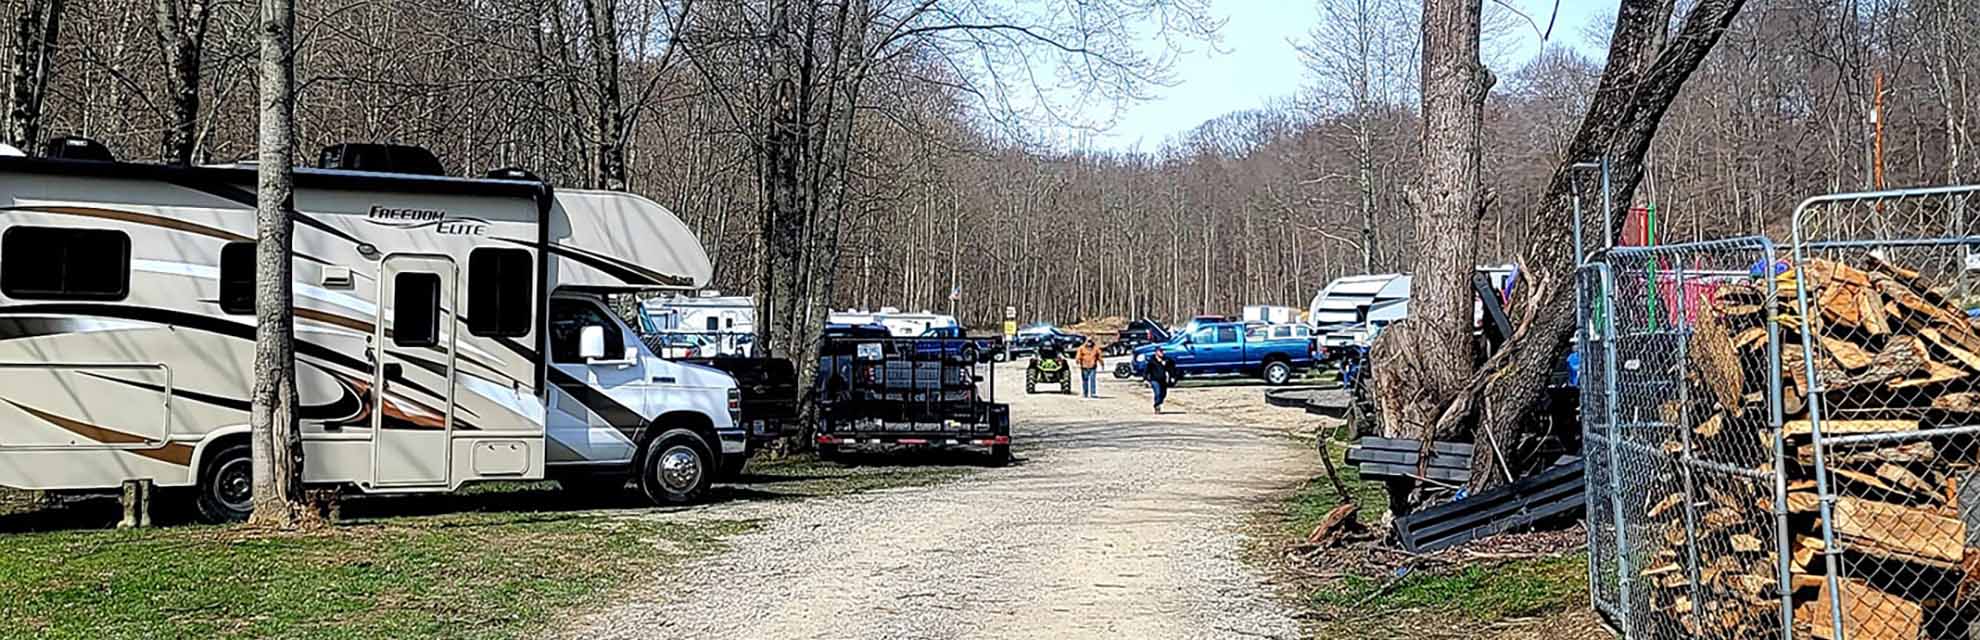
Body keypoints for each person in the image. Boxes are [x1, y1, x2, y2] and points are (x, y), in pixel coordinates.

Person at [1145, 347, 1172, 413]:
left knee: (1163, 394)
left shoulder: (1166, 360)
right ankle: (1157, 405)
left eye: (1162, 351)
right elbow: (1147, 370)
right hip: (1154, 379)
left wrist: (1172, 377)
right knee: (1158, 392)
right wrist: (1146, 379)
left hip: (1163, 380)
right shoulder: (1152, 361)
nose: (1162, 353)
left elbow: (1171, 369)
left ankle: (1159, 402)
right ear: (1156, 352)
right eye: (1160, 351)